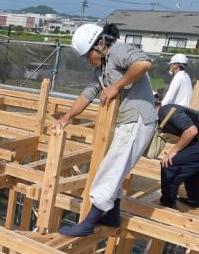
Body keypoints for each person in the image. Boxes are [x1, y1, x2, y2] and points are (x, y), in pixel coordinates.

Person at [55, 23, 156, 236]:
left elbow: (144, 63)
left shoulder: (118, 51)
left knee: (110, 170)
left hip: (136, 119)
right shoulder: (101, 68)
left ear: (100, 43)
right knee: (114, 169)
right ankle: (111, 217)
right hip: (126, 122)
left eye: (88, 55)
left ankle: (89, 223)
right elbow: (87, 94)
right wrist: (67, 117)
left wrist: (116, 86)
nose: (88, 60)